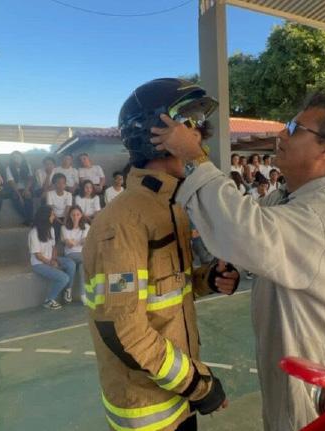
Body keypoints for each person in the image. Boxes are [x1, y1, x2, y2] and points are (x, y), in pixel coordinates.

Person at [152, 89, 325, 430]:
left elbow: (244, 230)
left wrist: (194, 156)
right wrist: (235, 267)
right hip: (289, 352)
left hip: (313, 366)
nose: (282, 133)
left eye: (294, 129)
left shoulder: (324, 213)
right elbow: (251, 231)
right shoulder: (287, 197)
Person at [85, 78, 239, 431]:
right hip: (147, 414)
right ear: (156, 135)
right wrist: (199, 385)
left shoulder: (168, 207)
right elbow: (124, 330)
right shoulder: (122, 222)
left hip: (178, 403)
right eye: (189, 128)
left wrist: (207, 279)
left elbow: (165, 290)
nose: (198, 140)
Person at [29, 206, 76, 309]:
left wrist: (54, 259)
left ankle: (68, 290)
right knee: (64, 278)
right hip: (39, 264)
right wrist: (50, 263)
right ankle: (48, 300)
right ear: (45, 217)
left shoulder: (51, 229)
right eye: (52, 215)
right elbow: (38, 255)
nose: (54, 216)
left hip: (50, 259)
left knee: (71, 264)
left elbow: (54, 247)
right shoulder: (34, 232)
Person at [60, 205, 88, 304]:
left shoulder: (86, 227)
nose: (76, 217)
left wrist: (73, 241)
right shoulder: (64, 228)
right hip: (70, 254)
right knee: (88, 260)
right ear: (70, 216)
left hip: (82, 254)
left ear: (81, 215)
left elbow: (84, 242)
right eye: (73, 215)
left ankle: (82, 295)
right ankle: (72, 291)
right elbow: (69, 245)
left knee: (82, 267)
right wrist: (76, 242)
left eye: (78, 214)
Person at [6, 151, 34, 226]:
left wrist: (27, 190)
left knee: (28, 197)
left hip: (26, 188)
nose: (16, 159)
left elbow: (30, 179)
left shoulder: (27, 165)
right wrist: (20, 196)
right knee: (16, 199)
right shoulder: (9, 168)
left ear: (21, 157)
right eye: (14, 157)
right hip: (15, 189)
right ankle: (29, 219)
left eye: (18, 157)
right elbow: (11, 182)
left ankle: (28, 220)